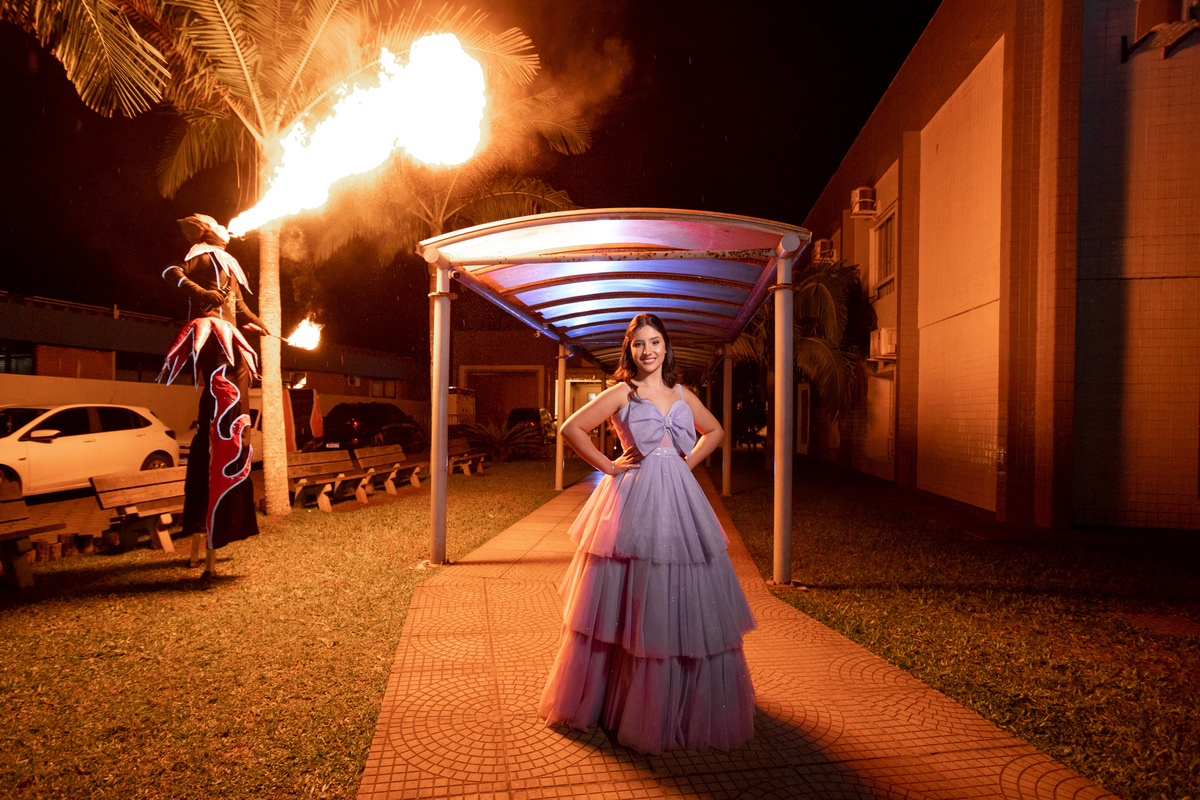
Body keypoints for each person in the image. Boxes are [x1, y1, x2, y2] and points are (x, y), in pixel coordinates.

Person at [539, 313, 756, 753]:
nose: (648, 351)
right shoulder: (623, 391)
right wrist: (610, 466)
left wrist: (684, 463)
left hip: (678, 496)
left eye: (655, 342)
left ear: (665, 346)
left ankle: (676, 699)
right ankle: (614, 701)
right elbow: (571, 429)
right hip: (634, 496)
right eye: (639, 344)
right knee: (630, 594)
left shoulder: (680, 392)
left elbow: (714, 431)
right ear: (630, 350)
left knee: (681, 592)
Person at [159, 213, 266, 579]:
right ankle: (214, 525)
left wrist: (254, 319)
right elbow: (172, 273)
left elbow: (235, 303)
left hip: (232, 340)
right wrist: (203, 293)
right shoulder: (203, 253)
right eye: (218, 224)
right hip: (214, 340)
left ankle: (224, 520)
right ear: (208, 231)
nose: (226, 227)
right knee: (225, 421)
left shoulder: (228, 263)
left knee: (236, 426)